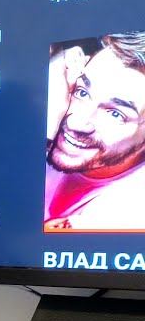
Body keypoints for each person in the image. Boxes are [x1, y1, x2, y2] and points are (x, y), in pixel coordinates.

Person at [45, 32, 145, 230]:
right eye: (82, 92)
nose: (76, 123)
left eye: (115, 114)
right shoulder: (58, 101)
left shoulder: (131, 210)